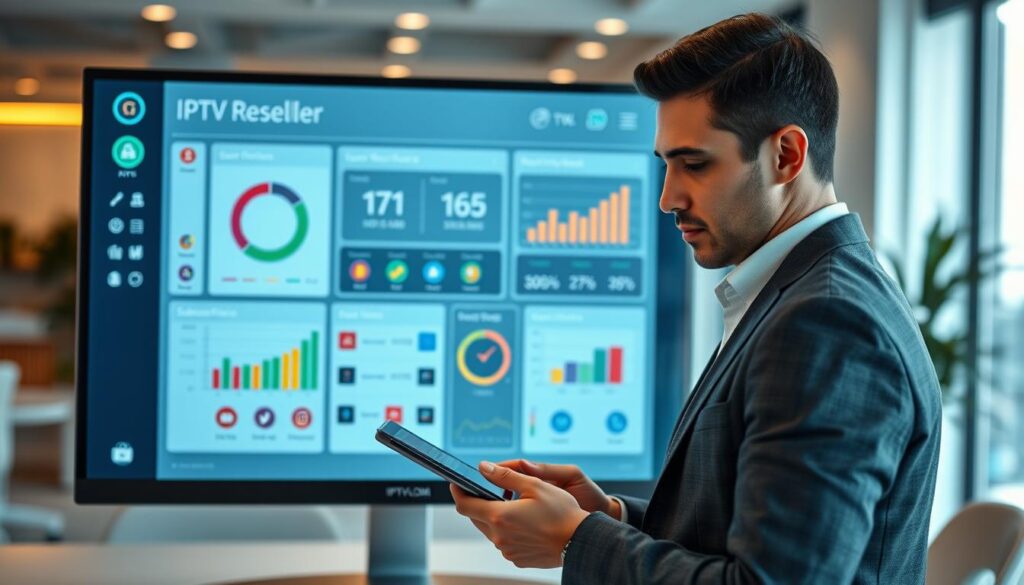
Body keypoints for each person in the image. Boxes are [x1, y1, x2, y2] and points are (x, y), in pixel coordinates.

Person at [450, 13, 942, 583]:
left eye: (695, 164)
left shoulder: (826, 321)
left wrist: (577, 539)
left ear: (786, 154)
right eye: (666, 165)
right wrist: (605, 516)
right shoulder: (795, 296)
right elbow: (737, 536)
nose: (667, 198)